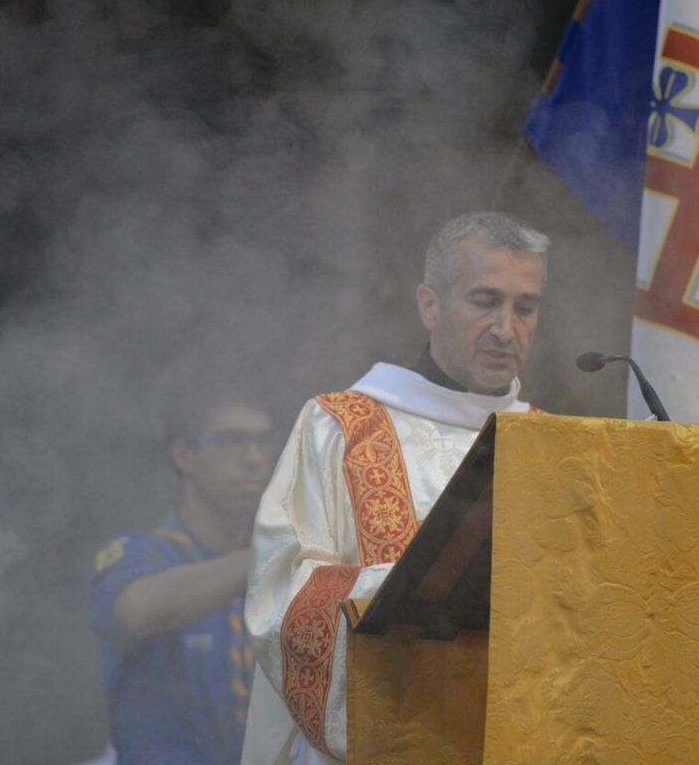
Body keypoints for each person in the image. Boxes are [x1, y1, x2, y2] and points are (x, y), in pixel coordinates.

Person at [241, 210, 550, 764]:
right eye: (485, 302)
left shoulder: (556, 446)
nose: (507, 329)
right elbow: (280, 594)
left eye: (525, 308)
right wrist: (414, 590)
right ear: (429, 305)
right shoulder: (340, 427)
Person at [90, 390, 276, 765]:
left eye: (263, 441)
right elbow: (137, 610)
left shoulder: (283, 563)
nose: (254, 459)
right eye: (231, 441)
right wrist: (274, 554)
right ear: (184, 455)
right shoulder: (138, 554)